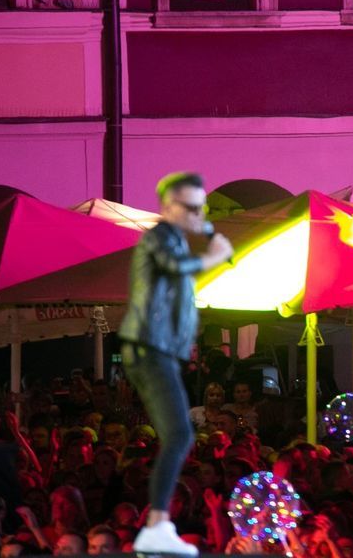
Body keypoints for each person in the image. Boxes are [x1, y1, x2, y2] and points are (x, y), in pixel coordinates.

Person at [119, 171, 233, 555]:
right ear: (169, 207)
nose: (199, 213)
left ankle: (158, 523)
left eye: (202, 207)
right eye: (191, 206)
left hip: (160, 350)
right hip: (150, 349)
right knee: (180, 436)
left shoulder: (177, 241)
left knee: (179, 436)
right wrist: (213, 256)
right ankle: (156, 525)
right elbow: (174, 268)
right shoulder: (159, 239)